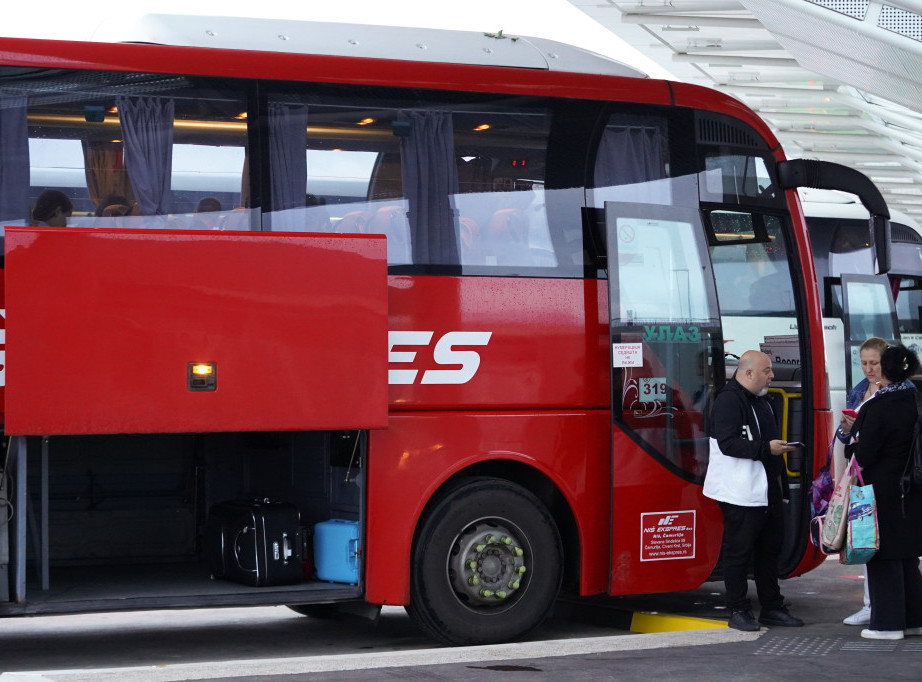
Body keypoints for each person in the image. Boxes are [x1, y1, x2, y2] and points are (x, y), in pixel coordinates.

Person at [703, 350, 804, 631]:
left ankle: (772, 607)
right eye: (767, 370)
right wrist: (766, 449)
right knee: (739, 552)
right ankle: (738, 610)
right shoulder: (728, 401)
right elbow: (727, 443)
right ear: (748, 373)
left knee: (769, 550)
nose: (772, 375)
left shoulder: (763, 401)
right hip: (740, 492)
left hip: (766, 489)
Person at [849, 344, 922, 640]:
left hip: (883, 490)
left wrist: (852, 441)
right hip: (914, 488)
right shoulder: (916, 399)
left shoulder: (880, 407)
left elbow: (864, 455)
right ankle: (915, 619)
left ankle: (888, 625)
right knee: (907, 557)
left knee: (883, 554)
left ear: (885, 370)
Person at [836, 336, 889, 626]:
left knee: (884, 541)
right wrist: (847, 430)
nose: (868, 369)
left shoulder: (896, 391)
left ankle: (880, 605)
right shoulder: (859, 390)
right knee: (864, 536)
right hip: (859, 471)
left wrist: (858, 430)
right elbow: (845, 436)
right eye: (864, 363)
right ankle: (870, 603)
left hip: (879, 471)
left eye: (874, 363)